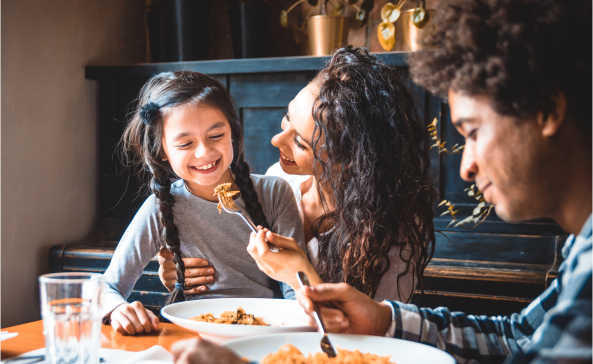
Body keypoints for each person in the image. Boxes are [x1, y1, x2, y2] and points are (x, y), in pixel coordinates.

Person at [171, 0, 593, 362]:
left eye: (474, 132)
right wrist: (385, 320)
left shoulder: (390, 228)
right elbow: (517, 336)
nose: (466, 167)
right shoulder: (582, 249)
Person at [159, 48, 436, 303]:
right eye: (287, 116)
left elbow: (376, 334)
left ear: (351, 159)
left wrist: (300, 275)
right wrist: (182, 275)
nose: (277, 140)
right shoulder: (279, 182)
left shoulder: (394, 232)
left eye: (301, 143)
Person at [102, 71, 305, 335]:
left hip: (266, 331)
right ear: (162, 151)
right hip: (192, 335)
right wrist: (118, 309)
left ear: (233, 131)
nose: (204, 153)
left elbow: (296, 291)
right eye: (185, 143)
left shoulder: (274, 193)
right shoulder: (160, 208)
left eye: (216, 136)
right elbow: (108, 286)